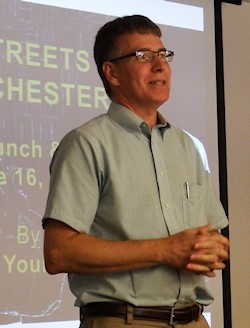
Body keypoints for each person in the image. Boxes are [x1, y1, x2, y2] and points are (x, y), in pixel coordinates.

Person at [43, 15, 229, 328]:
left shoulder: (187, 146)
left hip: (195, 320)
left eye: (163, 54)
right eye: (143, 56)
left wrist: (212, 247)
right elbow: (59, 253)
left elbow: (213, 236)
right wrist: (165, 250)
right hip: (126, 321)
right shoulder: (86, 143)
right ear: (111, 72)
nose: (160, 65)